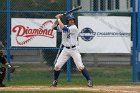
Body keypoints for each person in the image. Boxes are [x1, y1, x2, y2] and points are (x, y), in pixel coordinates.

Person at [51, 14, 93, 87]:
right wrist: (57, 19)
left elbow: (64, 28)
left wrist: (58, 19)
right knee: (57, 66)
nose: (72, 21)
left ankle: (89, 80)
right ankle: (55, 81)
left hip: (74, 49)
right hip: (65, 50)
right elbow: (53, 27)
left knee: (80, 67)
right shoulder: (64, 26)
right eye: (70, 20)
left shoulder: (74, 27)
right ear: (67, 21)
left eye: (73, 20)